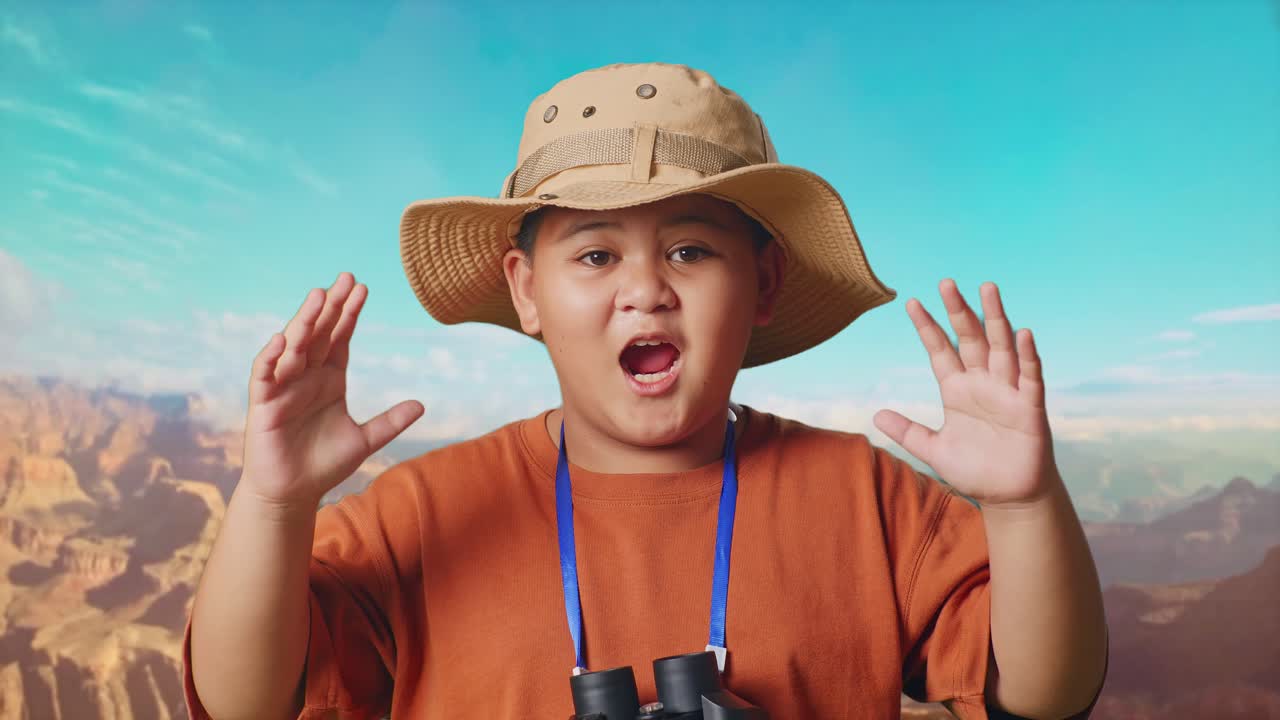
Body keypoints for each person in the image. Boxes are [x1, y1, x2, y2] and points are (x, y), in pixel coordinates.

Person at [183, 62, 1108, 719]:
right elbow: (244, 701)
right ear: (525, 290)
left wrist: (1025, 508)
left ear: (765, 286)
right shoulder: (420, 513)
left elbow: (1041, 692)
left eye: (691, 249)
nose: (645, 287)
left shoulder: (866, 498)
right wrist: (273, 503)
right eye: (594, 252)